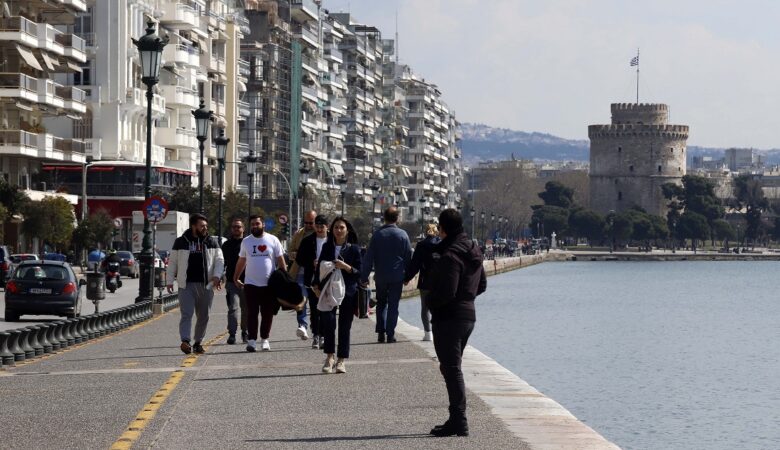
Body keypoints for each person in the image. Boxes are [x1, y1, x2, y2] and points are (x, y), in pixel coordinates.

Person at [428, 209, 486, 437]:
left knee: (452, 370)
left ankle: (459, 420)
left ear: (443, 228)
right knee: (451, 368)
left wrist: (432, 303)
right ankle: (455, 418)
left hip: (449, 317)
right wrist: (467, 298)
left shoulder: (450, 255)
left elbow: (447, 292)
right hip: (468, 315)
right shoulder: (474, 251)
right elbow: (481, 285)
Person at [167, 213, 225, 355]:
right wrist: (169, 281)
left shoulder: (211, 241)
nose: (205, 228)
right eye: (202, 225)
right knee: (186, 313)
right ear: (194, 226)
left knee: (204, 315)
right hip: (186, 285)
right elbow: (173, 262)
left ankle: (198, 342)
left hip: (206, 285)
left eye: (206, 225)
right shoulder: (181, 242)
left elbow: (219, 260)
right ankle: (185, 341)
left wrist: (217, 276)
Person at [313, 217, 361, 374]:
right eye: (336, 228)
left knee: (345, 326)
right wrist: (316, 285)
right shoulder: (327, 247)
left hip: (348, 291)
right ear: (331, 230)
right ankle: (329, 357)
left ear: (347, 230)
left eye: (341, 227)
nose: (338, 230)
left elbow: (359, 273)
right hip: (328, 290)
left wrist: (346, 267)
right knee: (328, 323)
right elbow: (318, 268)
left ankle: (341, 360)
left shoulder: (354, 249)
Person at [233, 215, 286, 352]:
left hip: (269, 285)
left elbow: (280, 260)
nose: (255, 226)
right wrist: (236, 277)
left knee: (267, 313)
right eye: (252, 224)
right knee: (252, 313)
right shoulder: (246, 241)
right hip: (250, 284)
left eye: (257, 224)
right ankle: (251, 340)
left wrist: (284, 279)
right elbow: (242, 261)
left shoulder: (273, 240)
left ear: (263, 225)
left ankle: (265, 339)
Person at [360, 207, 412, 343]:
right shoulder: (403, 235)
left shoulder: (377, 235)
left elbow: (368, 258)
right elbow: (408, 257)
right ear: (397, 218)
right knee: (393, 305)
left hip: (381, 276)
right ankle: (390, 334)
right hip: (397, 276)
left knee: (381, 303)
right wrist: (408, 277)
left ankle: (381, 332)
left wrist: (364, 277)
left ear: (384, 218)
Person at [295, 215, 329, 349]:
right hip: (312, 279)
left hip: (328, 278)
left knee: (326, 309)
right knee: (314, 309)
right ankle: (316, 335)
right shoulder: (308, 241)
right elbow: (299, 259)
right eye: (318, 226)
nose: (320, 229)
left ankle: (324, 335)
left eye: (322, 227)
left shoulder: (332, 240)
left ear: (327, 226)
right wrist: (311, 263)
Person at [404, 223, 440, 341]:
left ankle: (427, 333)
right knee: (438, 307)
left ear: (425, 232)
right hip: (439, 281)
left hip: (425, 281)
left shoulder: (421, 245)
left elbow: (415, 265)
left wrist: (407, 278)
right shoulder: (442, 244)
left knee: (425, 308)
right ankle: (438, 331)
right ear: (436, 232)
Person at [288, 210, 316, 341]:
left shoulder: (322, 234)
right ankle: (303, 325)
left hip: (316, 273)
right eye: (306, 222)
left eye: (311, 222)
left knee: (316, 303)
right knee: (301, 301)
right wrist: (294, 254)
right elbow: (290, 251)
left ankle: (317, 330)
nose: (309, 225)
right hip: (299, 272)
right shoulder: (299, 233)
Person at [221, 218, 247, 344]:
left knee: (246, 309)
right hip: (231, 282)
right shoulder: (226, 245)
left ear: (243, 229)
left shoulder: (248, 243)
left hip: (247, 282)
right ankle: (232, 334)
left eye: (238, 227)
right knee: (233, 308)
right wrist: (219, 276)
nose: (236, 229)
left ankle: (245, 332)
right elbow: (222, 263)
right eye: (234, 227)